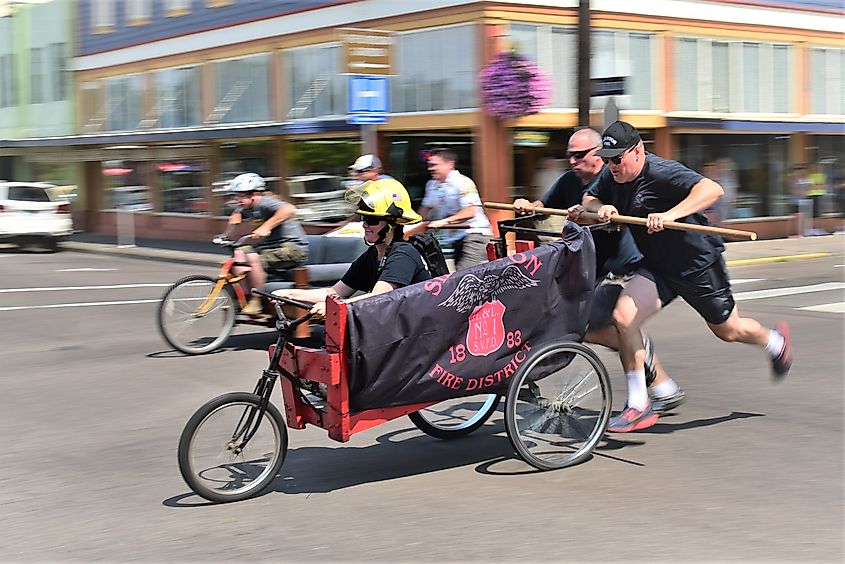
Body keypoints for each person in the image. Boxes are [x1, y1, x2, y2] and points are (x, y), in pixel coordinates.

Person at [573, 121, 793, 433]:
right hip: (657, 267)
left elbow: (712, 189)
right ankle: (638, 403)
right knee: (623, 318)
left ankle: (775, 341)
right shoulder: (612, 175)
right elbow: (588, 199)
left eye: (617, 159)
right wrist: (601, 207)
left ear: (638, 151)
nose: (612, 166)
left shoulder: (662, 172)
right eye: (607, 159)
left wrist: (672, 214)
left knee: (729, 330)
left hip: (697, 266)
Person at [513, 127, 685, 415]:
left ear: (598, 155)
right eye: (569, 155)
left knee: (584, 324)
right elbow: (541, 207)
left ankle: (646, 368)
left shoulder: (615, 181)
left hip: (623, 271)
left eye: (579, 155)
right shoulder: (569, 180)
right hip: (589, 269)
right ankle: (653, 371)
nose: (572, 161)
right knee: (576, 325)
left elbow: (613, 218)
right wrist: (525, 206)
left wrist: (596, 213)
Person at [273, 177, 431, 318]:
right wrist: (290, 294)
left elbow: (378, 298)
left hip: (416, 337)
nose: (365, 224)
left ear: (392, 223)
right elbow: (333, 293)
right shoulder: (371, 256)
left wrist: (337, 307)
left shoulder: (403, 254)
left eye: (372, 220)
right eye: (363, 218)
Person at [220, 173, 308, 316]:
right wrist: (226, 234)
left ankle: (257, 300)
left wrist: (266, 226)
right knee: (239, 254)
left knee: (254, 260)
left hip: (292, 248)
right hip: (271, 248)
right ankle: (244, 298)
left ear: (254, 194)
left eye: (241, 196)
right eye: (236, 196)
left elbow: (289, 209)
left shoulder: (265, 202)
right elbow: (236, 219)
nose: (237, 199)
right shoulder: (247, 208)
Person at [419, 148, 492, 270]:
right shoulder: (432, 185)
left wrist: (444, 221)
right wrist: (413, 225)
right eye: (429, 165)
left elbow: (471, 211)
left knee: (465, 277)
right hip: (455, 239)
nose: (430, 168)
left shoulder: (463, 182)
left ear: (449, 164)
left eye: (434, 165)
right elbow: (425, 209)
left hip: (474, 235)